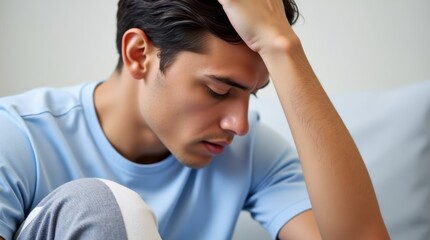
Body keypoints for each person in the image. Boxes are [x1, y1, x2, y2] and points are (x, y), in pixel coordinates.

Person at [0, 0, 390, 239]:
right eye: (218, 91)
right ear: (139, 55)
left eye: (251, 94)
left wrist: (283, 48)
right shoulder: (17, 137)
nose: (240, 124)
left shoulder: (249, 154)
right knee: (103, 206)